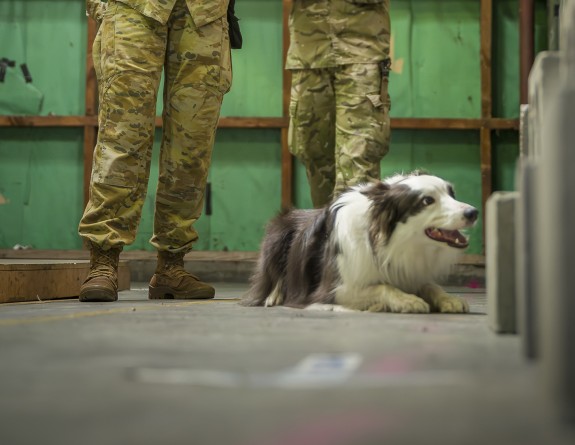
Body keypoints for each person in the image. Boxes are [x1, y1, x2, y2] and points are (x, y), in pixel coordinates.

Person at [79, 0, 233, 302]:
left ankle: (171, 266)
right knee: (122, 135)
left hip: (204, 13)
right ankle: (103, 260)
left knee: (192, 146)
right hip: (131, 8)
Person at [286, 0, 392, 208]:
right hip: (308, 52)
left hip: (361, 51)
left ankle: (352, 236)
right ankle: (326, 233)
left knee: (359, 158)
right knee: (313, 153)